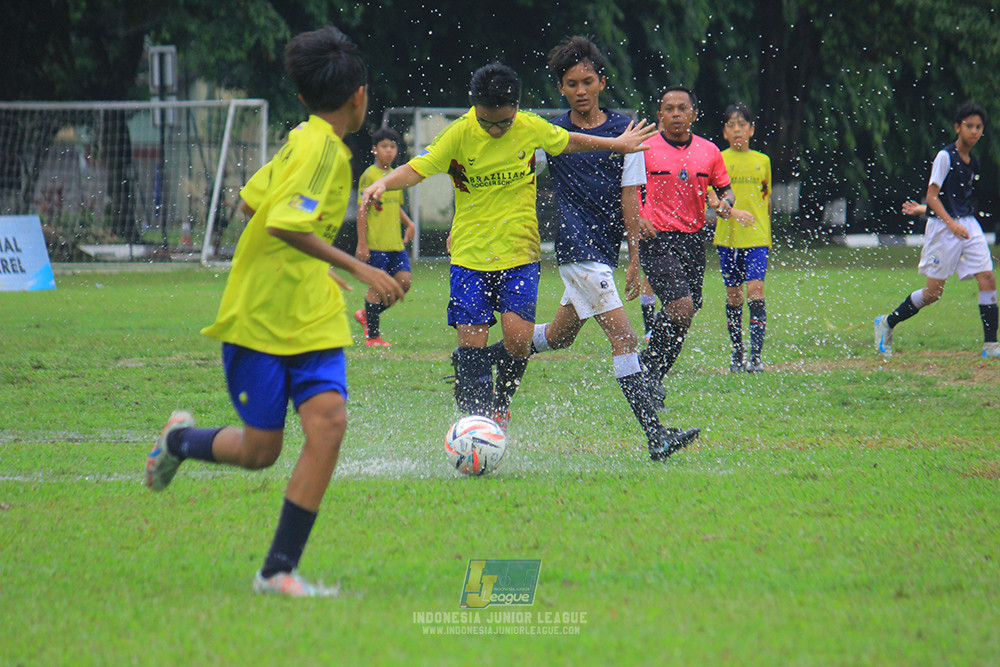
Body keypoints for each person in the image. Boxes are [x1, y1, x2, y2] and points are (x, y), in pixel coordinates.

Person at [144, 26, 405, 597]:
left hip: (312, 316)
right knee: (261, 451)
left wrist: (315, 265)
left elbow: (251, 204)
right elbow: (285, 223)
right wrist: (359, 268)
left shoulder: (304, 139)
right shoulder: (320, 151)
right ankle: (178, 443)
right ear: (359, 95)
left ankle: (277, 571)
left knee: (328, 425)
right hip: (261, 316)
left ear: (305, 96)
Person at [361, 63, 656, 425]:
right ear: (474, 106)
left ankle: (499, 403)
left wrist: (616, 144)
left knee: (518, 341)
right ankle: (478, 421)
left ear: (516, 106)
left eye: (503, 122)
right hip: (470, 255)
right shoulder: (459, 133)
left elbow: (570, 142)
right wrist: (383, 183)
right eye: (487, 122)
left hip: (520, 253)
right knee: (472, 342)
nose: (495, 130)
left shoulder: (530, 127)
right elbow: (417, 168)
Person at [514, 36, 700, 460]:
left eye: (587, 81)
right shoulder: (553, 133)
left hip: (603, 252)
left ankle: (491, 357)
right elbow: (518, 175)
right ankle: (656, 436)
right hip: (576, 249)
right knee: (625, 338)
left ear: (601, 82)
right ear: (561, 88)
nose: (580, 90)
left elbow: (630, 196)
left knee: (559, 336)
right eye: (571, 83)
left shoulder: (625, 131)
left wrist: (634, 257)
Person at [875, 103, 998, 359]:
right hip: (944, 229)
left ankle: (991, 345)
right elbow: (932, 196)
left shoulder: (973, 162)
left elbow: (953, 199)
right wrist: (947, 221)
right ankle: (887, 322)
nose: (974, 131)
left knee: (988, 278)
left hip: (967, 225)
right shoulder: (945, 156)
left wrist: (931, 212)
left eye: (978, 127)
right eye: (969, 126)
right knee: (933, 293)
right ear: (957, 127)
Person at [637, 85, 735, 405]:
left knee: (685, 315)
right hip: (656, 239)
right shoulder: (644, 148)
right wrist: (638, 217)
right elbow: (627, 190)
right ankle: (646, 366)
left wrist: (726, 203)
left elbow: (726, 190)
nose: (676, 114)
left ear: (694, 113)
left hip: (693, 241)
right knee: (681, 307)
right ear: (660, 114)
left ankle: (652, 375)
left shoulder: (710, 151)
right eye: (669, 109)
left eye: (682, 108)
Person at [712, 103, 772, 373]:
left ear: (751, 130)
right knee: (734, 297)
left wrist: (767, 232)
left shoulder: (763, 161)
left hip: (757, 239)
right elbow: (712, 198)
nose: (737, 130)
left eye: (742, 125)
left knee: (755, 292)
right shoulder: (718, 159)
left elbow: (766, 200)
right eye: (731, 126)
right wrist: (734, 212)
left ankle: (756, 357)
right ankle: (737, 352)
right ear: (725, 132)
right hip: (728, 239)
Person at [354, 126, 416, 348]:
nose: (389, 150)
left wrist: (409, 223)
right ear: (374, 149)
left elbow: (393, 205)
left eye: (392, 146)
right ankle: (373, 337)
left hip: (395, 243)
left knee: (404, 282)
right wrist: (362, 243)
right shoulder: (369, 175)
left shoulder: (395, 175)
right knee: (377, 287)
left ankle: (366, 315)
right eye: (384, 146)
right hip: (376, 243)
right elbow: (362, 210)